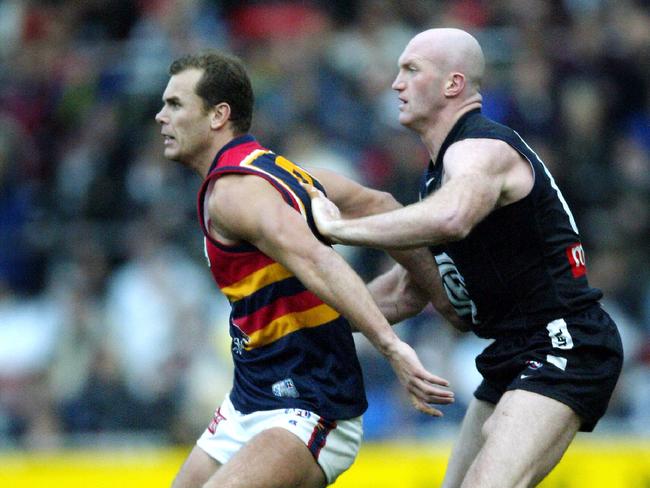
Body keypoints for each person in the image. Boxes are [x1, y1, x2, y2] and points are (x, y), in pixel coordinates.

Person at [306, 28, 624, 487]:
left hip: (564, 341)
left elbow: (452, 218)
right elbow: (408, 290)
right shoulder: (438, 177)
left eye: (411, 70)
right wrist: (306, 318)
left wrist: (340, 230)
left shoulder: (480, 148)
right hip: (514, 351)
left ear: (453, 85)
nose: (396, 83)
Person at [154, 51, 455, 488]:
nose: (161, 116)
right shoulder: (284, 172)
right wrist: (442, 296)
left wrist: (392, 347)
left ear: (219, 115)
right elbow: (384, 207)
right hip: (251, 399)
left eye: (176, 104)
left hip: (308, 406)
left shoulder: (234, 194)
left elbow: (316, 258)